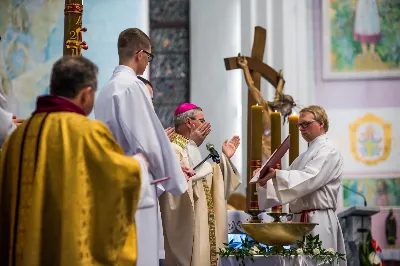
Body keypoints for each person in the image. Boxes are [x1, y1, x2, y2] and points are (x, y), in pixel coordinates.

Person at [0, 56, 150, 266]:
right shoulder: (87, 133)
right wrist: (139, 166)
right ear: (85, 94)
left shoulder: (19, 136)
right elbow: (116, 179)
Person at [94, 28, 188, 266]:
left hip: (112, 185)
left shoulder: (106, 90)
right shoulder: (131, 87)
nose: (148, 63)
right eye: (149, 56)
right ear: (139, 53)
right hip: (134, 189)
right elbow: (148, 142)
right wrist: (175, 179)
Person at [255, 105, 346, 264]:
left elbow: (310, 178)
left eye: (306, 124)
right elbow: (288, 183)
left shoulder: (329, 151)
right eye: (299, 125)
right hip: (299, 221)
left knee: (318, 261)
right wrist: (264, 179)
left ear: (321, 123)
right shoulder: (302, 157)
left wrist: (277, 174)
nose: (302, 129)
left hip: (319, 219)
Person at [159, 103, 241, 266]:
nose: (205, 124)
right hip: (189, 226)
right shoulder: (173, 149)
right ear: (189, 122)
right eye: (202, 120)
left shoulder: (189, 149)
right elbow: (183, 182)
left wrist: (225, 160)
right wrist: (192, 145)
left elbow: (211, 180)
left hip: (204, 223)